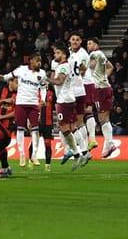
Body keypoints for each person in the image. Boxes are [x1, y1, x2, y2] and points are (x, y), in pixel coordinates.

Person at [0, 52, 47, 167]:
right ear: (31, 61)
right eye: (37, 60)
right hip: (21, 103)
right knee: (20, 129)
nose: (39, 63)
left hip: (34, 104)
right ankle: (22, 155)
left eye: (40, 61)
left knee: (35, 129)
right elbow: (8, 76)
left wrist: (42, 99)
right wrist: (1, 77)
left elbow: (43, 88)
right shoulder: (21, 70)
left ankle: (34, 155)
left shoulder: (42, 74)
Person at [49, 41, 89, 170]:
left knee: (64, 129)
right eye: (55, 52)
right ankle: (83, 152)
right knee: (72, 127)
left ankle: (77, 153)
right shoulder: (64, 65)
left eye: (58, 52)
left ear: (64, 55)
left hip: (64, 100)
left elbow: (59, 81)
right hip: (69, 98)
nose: (55, 54)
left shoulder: (62, 67)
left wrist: (45, 79)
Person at [87, 37, 116, 158]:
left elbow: (90, 65)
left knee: (102, 117)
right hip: (105, 87)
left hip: (100, 89)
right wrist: (104, 77)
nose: (88, 45)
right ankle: (108, 143)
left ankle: (109, 143)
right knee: (104, 117)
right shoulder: (101, 55)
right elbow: (111, 67)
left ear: (96, 45)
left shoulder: (95, 54)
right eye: (87, 43)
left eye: (90, 43)